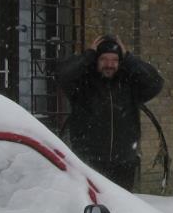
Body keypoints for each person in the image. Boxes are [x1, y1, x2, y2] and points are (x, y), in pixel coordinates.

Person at [57, 34, 164, 191]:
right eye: (104, 59)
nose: (109, 64)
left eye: (114, 60)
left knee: (122, 205)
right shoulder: (82, 84)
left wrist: (129, 58)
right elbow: (63, 76)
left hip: (124, 163)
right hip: (89, 162)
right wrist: (88, 55)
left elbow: (156, 83)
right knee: (92, 204)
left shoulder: (129, 84)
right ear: (96, 60)